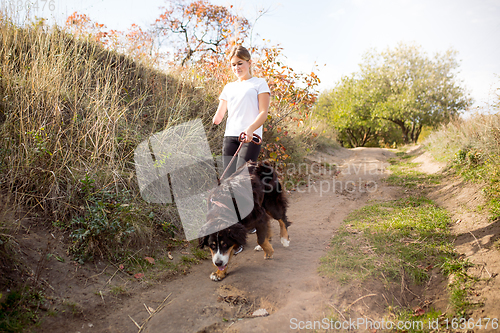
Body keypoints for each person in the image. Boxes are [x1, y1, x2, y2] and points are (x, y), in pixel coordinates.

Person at [212, 45, 271, 254]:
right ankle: (234, 231)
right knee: (226, 185)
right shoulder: (228, 87)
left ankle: (243, 229)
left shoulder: (259, 84)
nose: (237, 67)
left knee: (241, 182)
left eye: (240, 63)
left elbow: (263, 112)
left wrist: (250, 128)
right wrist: (215, 120)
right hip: (230, 137)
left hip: (251, 136)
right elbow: (220, 114)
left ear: (249, 63)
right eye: (233, 64)